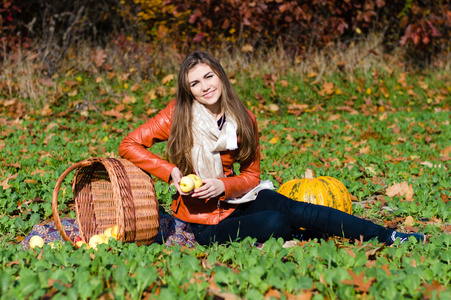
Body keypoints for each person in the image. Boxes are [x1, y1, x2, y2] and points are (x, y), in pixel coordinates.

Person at [119, 51, 425, 246]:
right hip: (203, 220)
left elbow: (252, 175)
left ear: (220, 76)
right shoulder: (177, 114)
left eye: (208, 76)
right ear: (189, 90)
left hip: (238, 198)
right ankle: (304, 233)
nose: (205, 86)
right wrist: (171, 171)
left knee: (297, 207)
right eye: (195, 83)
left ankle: (389, 236)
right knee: (275, 222)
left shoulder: (243, 118)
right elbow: (129, 144)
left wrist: (221, 185)